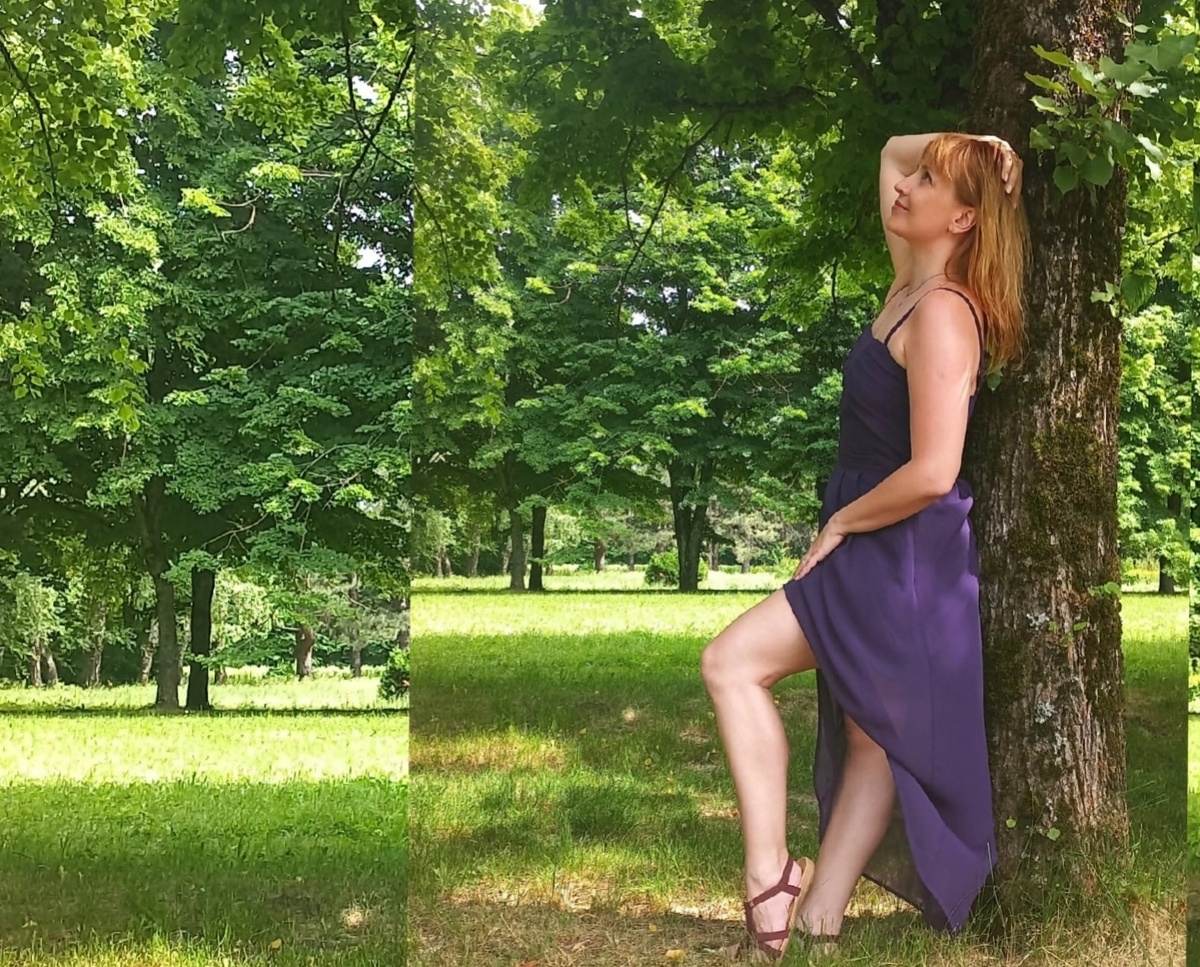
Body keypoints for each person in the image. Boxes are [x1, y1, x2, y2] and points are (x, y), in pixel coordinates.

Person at [701, 131, 1031, 961]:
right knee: (868, 733)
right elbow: (887, 150)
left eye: (930, 181)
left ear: (962, 218)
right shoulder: (906, 282)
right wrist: (976, 144)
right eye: (914, 178)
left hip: (901, 550)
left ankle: (777, 880)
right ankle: (815, 917)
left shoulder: (945, 313)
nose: (905, 185)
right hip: (875, 538)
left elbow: (933, 469)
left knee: (735, 664)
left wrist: (842, 523)